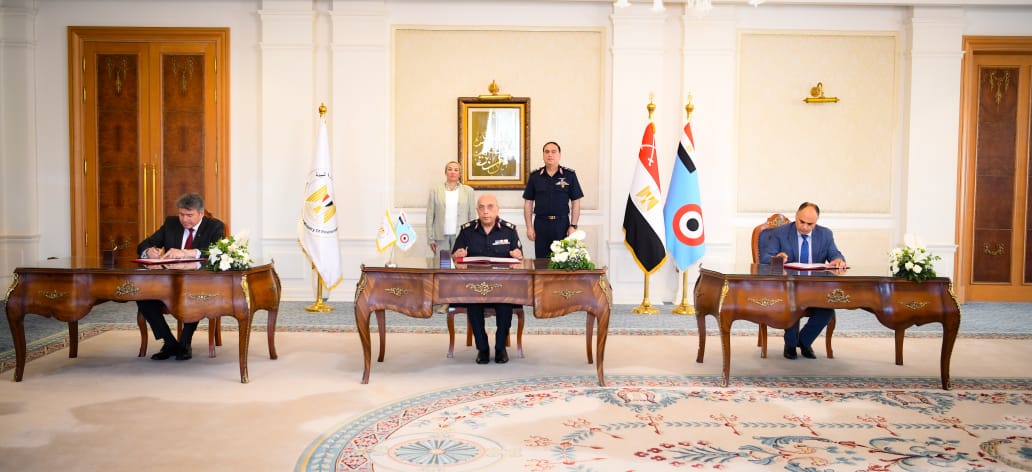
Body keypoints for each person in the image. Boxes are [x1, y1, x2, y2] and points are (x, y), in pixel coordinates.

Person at [137, 193, 226, 361]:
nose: (184, 219)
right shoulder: (171, 223)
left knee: (193, 297)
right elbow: (144, 244)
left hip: (199, 284)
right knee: (143, 296)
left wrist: (187, 252)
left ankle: (185, 343)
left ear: (201, 213)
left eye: (189, 215)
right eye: (181, 214)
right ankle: (169, 342)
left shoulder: (214, 226)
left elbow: (219, 252)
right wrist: (149, 251)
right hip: (168, 283)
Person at [759, 201, 846, 360]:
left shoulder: (825, 234)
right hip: (789, 287)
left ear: (816, 222)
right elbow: (764, 257)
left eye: (810, 224)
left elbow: (835, 254)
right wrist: (777, 257)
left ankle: (804, 341)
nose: (805, 227)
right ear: (796, 216)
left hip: (816, 288)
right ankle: (790, 344)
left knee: (827, 309)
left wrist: (838, 260)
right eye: (802, 222)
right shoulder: (781, 232)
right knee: (793, 304)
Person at [452, 194, 524, 365]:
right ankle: (482, 348)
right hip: (475, 287)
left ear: (497, 209)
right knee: (472, 304)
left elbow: (519, 258)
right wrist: (457, 255)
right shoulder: (467, 231)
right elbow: (456, 256)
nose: (486, 211)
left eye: (490, 207)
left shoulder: (509, 230)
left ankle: (500, 347)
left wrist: (517, 255)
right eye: (482, 207)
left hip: (502, 287)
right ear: (477, 210)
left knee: (506, 304)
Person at [523, 141, 584, 259]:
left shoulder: (569, 175)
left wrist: (573, 226)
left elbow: (576, 201)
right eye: (546, 152)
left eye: (553, 152)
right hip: (541, 224)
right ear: (543, 155)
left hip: (561, 225)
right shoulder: (535, 176)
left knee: (561, 261)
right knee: (541, 261)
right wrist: (529, 227)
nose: (550, 154)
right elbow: (528, 203)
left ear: (559, 155)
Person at [426, 161, 477, 256]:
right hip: (440, 237)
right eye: (450, 169)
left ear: (460, 174)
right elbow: (430, 216)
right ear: (445, 172)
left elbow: (472, 216)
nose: (453, 172)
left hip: (461, 236)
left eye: (456, 170)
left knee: (459, 263)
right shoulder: (435, 190)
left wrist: (472, 237)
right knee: (443, 263)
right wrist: (430, 238)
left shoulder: (468, 191)